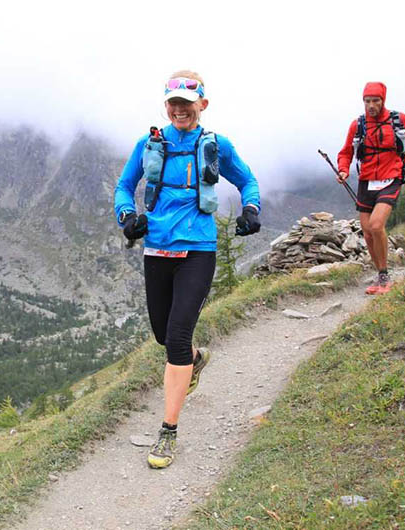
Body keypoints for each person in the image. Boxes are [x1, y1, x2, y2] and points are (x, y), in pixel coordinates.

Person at [114, 70, 261, 469]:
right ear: (166, 106)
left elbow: (247, 180)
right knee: (164, 336)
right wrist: (127, 216)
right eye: (173, 103)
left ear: (202, 105)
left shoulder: (216, 144)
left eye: (187, 103)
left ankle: (168, 431)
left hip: (199, 248)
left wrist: (251, 208)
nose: (180, 109)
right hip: (157, 249)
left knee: (177, 336)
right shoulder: (149, 143)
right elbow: (124, 187)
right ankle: (193, 361)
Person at [337, 82, 405, 295]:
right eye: (367, 101)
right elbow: (346, 152)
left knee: (375, 225)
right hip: (366, 180)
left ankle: (385, 278)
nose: (371, 105)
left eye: (375, 101)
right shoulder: (358, 125)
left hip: (391, 176)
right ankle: (381, 275)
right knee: (367, 233)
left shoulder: (398, 120)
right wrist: (343, 170)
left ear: (383, 100)